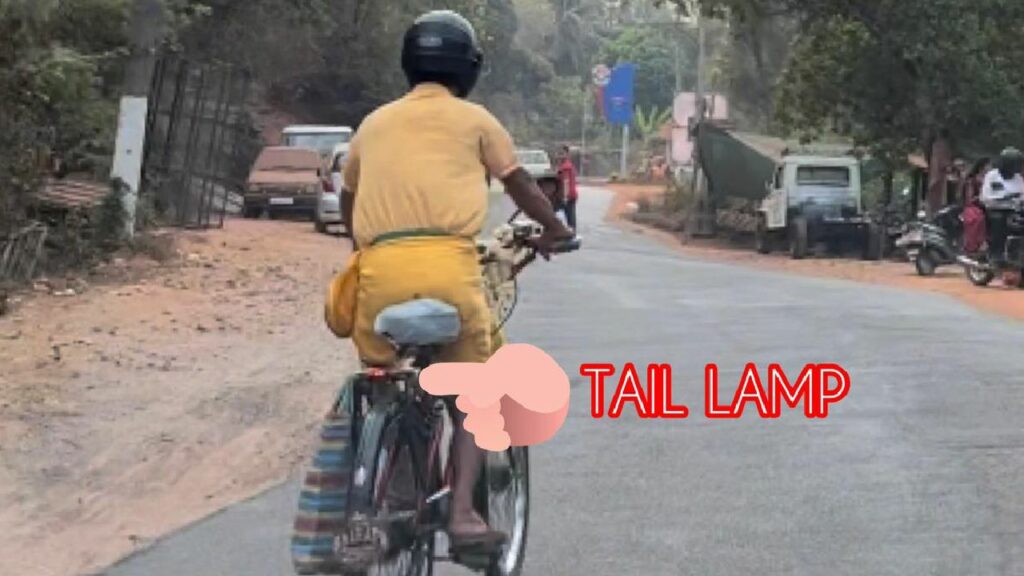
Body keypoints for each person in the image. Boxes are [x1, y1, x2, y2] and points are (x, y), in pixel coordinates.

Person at [340, 10, 573, 549]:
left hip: (378, 272)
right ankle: (464, 515)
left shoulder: (373, 123)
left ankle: (387, 489)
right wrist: (555, 230)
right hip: (450, 270)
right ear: (468, 69)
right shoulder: (476, 121)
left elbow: (350, 194)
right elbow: (522, 189)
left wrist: (364, 245)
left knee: (385, 381)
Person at [980, 148, 1024, 284]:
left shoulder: (1018, 178)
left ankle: (1016, 253)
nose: (1016, 168)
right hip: (995, 210)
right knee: (1000, 220)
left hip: (1014, 210)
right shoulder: (992, 176)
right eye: (1014, 164)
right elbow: (986, 196)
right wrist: (1003, 197)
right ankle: (996, 253)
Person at [557, 145, 579, 230]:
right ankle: (571, 232)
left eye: (562, 154)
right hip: (571, 195)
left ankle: (571, 233)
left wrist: (565, 197)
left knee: (570, 218)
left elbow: (566, 182)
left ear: (567, 154)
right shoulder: (568, 165)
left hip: (568, 196)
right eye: (559, 154)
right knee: (570, 217)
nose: (560, 156)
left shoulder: (566, 167)